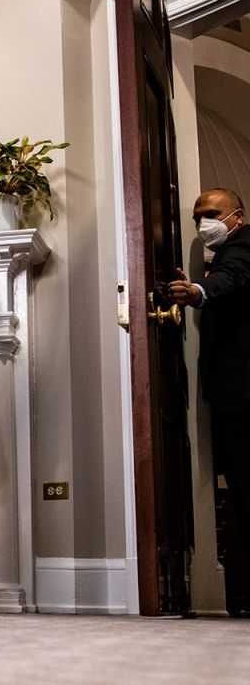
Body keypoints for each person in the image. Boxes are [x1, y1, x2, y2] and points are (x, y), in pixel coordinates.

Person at [167, 187, 250, 614]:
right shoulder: (225, 250)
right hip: (232, 395)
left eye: (212, 213)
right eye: (198, 215)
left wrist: (197, 292)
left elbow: (231, 278)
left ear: (237, 216)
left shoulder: (245, 245)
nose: (203, 223)